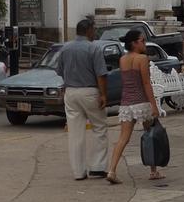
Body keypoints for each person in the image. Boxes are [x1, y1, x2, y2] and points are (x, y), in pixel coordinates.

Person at [56, 18, 108, 181]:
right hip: (90, 91)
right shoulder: (94, 48)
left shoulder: (65, 48)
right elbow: (101, 74)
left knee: (75, 133)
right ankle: (97, 167)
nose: (95, 33)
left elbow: (60, 71)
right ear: (88, 30)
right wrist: (103, 94)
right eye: (94, 29)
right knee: (99, 128)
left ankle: (78, 171)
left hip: (71, 92)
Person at [107, 29, 161, 184]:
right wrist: (154, 105)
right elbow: (146, 83)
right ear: (134, 43)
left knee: (123, 138)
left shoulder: (122, 59)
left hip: (126, 103)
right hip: (141, 102)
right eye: (142, 41)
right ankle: (153, 170)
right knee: (150, 135)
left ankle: (112, 170)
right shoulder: (142, 59)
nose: (145, 43)